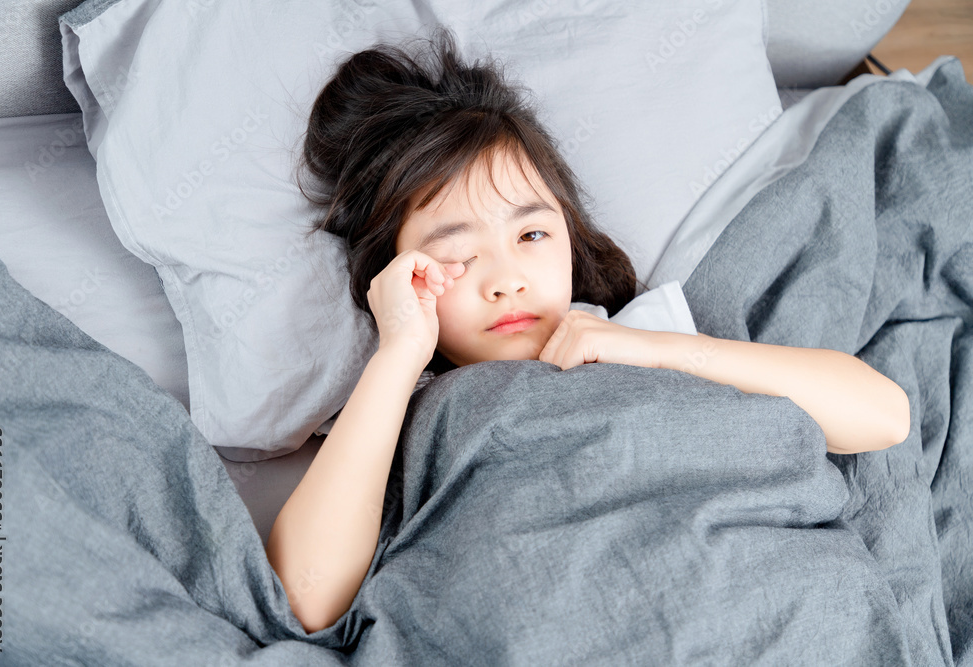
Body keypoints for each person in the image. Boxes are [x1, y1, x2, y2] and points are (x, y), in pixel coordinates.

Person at [265, 26, 911, 635]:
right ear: (399, 272)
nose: (507, 278)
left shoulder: (647, 331)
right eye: (458, 256)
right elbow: (307, 595)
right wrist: (398, 352)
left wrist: (645, 347)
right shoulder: (391, 413)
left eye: (532, 234)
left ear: (572, 240)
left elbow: (883, 415)